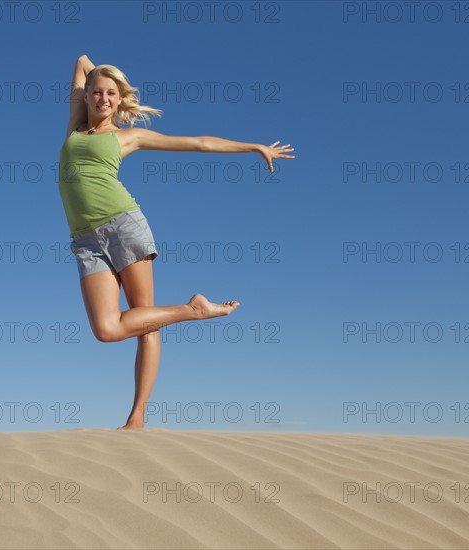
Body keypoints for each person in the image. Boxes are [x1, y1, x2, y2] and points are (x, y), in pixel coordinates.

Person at [59, 55, 295, 430]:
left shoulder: (127, 136)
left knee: (145, 322)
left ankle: (136, 418)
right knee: (107, 329)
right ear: (85, 96)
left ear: (120, 100)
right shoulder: (74, 127)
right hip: (85, 241)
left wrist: (254, 147)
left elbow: (198, 142)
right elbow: (81, 61)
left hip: (124, 226)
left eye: (111, 94)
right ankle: (194, 310)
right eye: (96, 92)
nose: (103, 98)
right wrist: (100, 73)